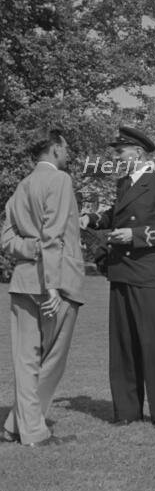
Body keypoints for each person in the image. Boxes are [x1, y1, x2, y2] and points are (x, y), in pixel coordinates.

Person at [81, 126, 155, 427]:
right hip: (121, 272)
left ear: (137, 152)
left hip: (146, 274)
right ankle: (127, 412)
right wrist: (93, 218)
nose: (116, 156)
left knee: (152, 344)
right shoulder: (124, 183)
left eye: (120, 151)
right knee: (123, 344)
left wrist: (136, 235)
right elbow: (117, 214)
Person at [1, 129, 84, 446]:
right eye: (66, 147)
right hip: (57, 284)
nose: (69, 152)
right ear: (54, 149)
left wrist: (29, 248)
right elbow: (52, 237)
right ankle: (32, 431)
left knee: (26, 362)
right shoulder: (60, 180)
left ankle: (15, 427)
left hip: (22, 283)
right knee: (51, 361)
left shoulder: (21, 187)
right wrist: (52, 287)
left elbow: (6, 239)